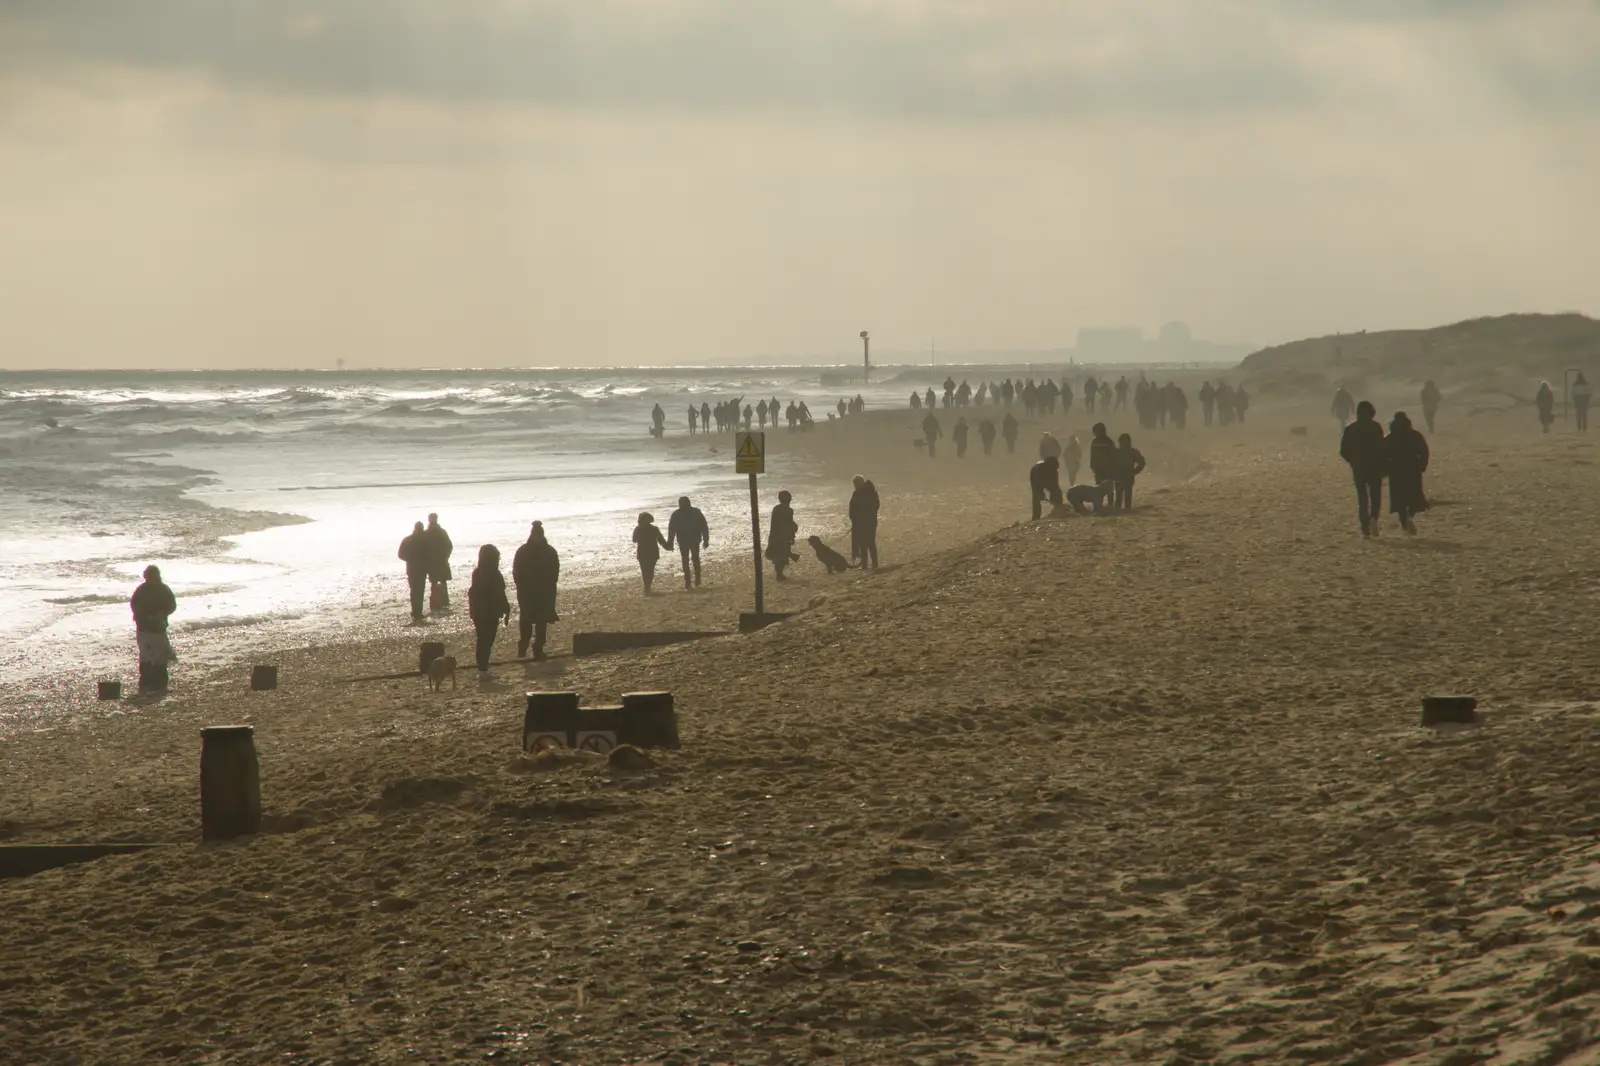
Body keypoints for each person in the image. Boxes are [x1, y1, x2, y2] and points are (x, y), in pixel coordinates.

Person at [512, 521, 560, 660]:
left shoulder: (527, 551)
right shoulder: (547, 551)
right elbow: (517, 572)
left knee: (539, 622)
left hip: (539, 592)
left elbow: (554, 572)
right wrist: (521, 585)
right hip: (531, 592)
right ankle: (524, 648)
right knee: (529, 621)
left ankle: (535, 649)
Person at [1339, 400, 1387, 537]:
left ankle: (1364, 527)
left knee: (1362, 497)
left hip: (1359, 467)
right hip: (1375, 466)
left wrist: (1352, 461)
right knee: (1375, 495)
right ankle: (1374, 518)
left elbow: (1343, 450)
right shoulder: (1376, 427)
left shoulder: (1350, 428)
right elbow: (1382, 448)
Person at [130, 564, 177, 693]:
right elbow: (172, 606)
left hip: (145, 627)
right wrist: (160, 614)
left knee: (147, 656)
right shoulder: (162, 589)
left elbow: (134, 605)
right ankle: (158, 684)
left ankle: (147, 684)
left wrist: (142, 616)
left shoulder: (142, 589)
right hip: (154, 627)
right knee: (158, 656)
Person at [467, 544, 511, 679]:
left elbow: (474, 593)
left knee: (482, 639)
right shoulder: (494, 574)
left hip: (478, 612)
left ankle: (482, 668)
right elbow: (499, 594)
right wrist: (506, 608)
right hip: (490, 612)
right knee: (487, 640)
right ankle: (483, 669)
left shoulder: (477, 573)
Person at [1385, 411, 1430, 535]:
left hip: (1396, 470)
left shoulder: (1390, 437)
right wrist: (1422, 465)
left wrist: (1385, 469)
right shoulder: (1415, 435)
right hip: (1413, 469)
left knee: (1399, 499)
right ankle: (1410, 516)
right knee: (1413, 496)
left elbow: (1383, 454)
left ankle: (1405, 522)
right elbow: (1424, 451)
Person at [666, 496, 710, 590]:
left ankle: (690, 582)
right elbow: (704, 526)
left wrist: (670, 542)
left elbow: (671, 529)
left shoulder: (676, 514)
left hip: (686, 540)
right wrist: (706, 540)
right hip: (690, 540)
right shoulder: (695, 512)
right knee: (694, 560)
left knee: (687, 560)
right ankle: (694, 581)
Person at [398, 521, 430, 621]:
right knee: (419, 591)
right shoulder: (425, 540)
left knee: (414, 591)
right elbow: (430, 555)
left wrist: (410, 559)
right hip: (421, 569)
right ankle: (418, 612)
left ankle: (415, 611)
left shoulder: (407, 540)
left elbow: (400, 555)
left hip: (411, 569)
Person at [632, 512, 669, 593]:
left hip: (644, 552)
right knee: (649, 570)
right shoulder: (653, 529)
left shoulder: (638, 529)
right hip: (650, 552)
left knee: (646, 570)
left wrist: (667, 547)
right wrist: (667, 547)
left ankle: (647, 587)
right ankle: (647, 587)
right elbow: (661, 540)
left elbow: (634, 540)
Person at [848, 475, 881, 569]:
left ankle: (875, 564)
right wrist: (854, 519)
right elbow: (852, 507)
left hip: (870, 522)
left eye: (856, 484)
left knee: (870, 543)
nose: (855, 486)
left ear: (861, 483)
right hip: (859, 523)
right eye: (854, 484)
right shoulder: (856, 493)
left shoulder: (871, 492)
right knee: (862, 544)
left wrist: (864, 515)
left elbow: (876, 505)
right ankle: (864, 565)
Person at [766, 490, 799, 580]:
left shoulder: (776, 509)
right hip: (783, 536)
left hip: (775, 535)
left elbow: (776, 524)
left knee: (778, 556)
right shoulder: (788, 510)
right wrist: (792, 536)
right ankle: (779, 575)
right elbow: (789, 524)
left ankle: (779, 574)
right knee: (782, 555)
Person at [424, 512, 453, 612]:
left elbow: (449, 546)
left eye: (433, 518)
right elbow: (449, 546)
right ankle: (439, 603)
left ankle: (440, 603)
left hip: (438, 561)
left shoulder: (437, 532)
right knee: (436, 582)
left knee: (440, 582)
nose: (432, 520)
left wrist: (445, 557)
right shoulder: (428, 533)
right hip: (436, 562)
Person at [1113, 433, 1147, 511]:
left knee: (1127, 500)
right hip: (1118, 478)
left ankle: (1126, 513)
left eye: (1123, 442)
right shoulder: (1116, 452)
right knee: (1118, 500)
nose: (1122, 444)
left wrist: (1134, 472)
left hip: (1128, 477)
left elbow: (1142, 463)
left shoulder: (1133, 452)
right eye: (1121, 442)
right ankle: (1118, 513)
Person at [1029, 456, 1062, 520]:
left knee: (1057, 492)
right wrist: (1040, 493)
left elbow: (1055, 484)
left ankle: (1059, 510)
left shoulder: (1053, 470)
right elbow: (1036, 484)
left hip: (1048, 480)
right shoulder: (1037, 469)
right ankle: (1036, 516)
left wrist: (1054, 497)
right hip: (1036, 480)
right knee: (1036, 498)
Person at [1088, 422, 1117, 491]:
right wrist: (1092, 465)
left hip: (1108, 469)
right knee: (1099, 487)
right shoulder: (1095, 442)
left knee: (1108, 487)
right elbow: (1093, 455)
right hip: (1098, 468)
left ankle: (1109, 497)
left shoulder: (1108, 442)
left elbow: (1113, 455)